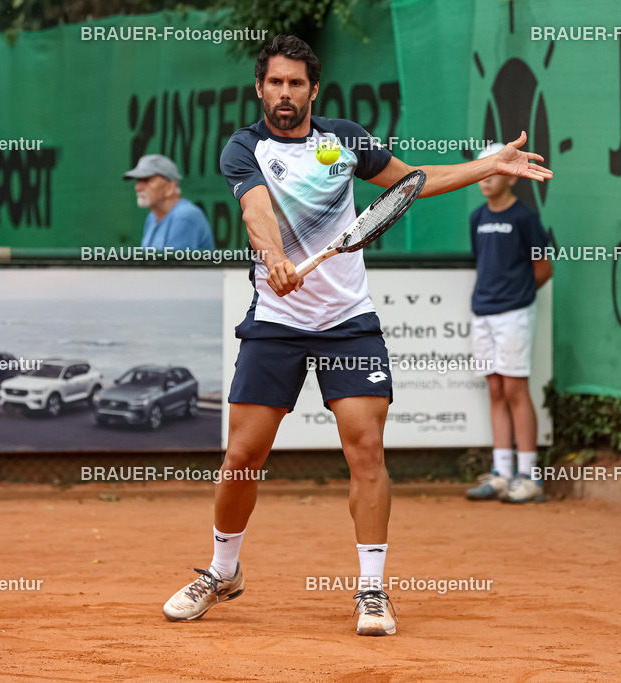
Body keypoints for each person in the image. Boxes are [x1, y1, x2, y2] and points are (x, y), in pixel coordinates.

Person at [161, 35, 551, 636]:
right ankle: (222, 570)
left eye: (296, 83)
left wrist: (488, 165)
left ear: (313, 90)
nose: (285, 93)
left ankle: (372, 589)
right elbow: (256, 212)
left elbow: (411, 182)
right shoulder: (245, 148)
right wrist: (274, 256)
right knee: (242, 457)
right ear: (259, 88)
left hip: (348, 324)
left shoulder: (345, 140)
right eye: (275, 83)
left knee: (365, 449)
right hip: (276, 323)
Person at [464, 143, 553, 504]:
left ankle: (529, 477)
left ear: (513, 176)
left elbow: (543, 268)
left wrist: (515, 296)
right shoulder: (476, 218)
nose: (488, 178)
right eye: (484, 170)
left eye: (497, 169)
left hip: (514, 314)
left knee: (516, 391)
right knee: (496, 390)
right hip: (482, 313)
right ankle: (501, 473)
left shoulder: (525, 218)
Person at [122, 154, 214, 250]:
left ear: (170, 187)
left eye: (146, 180)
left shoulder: (184, 216)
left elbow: (171, 265)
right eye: (138, 181)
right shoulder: (152, 217)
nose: (137, 187)